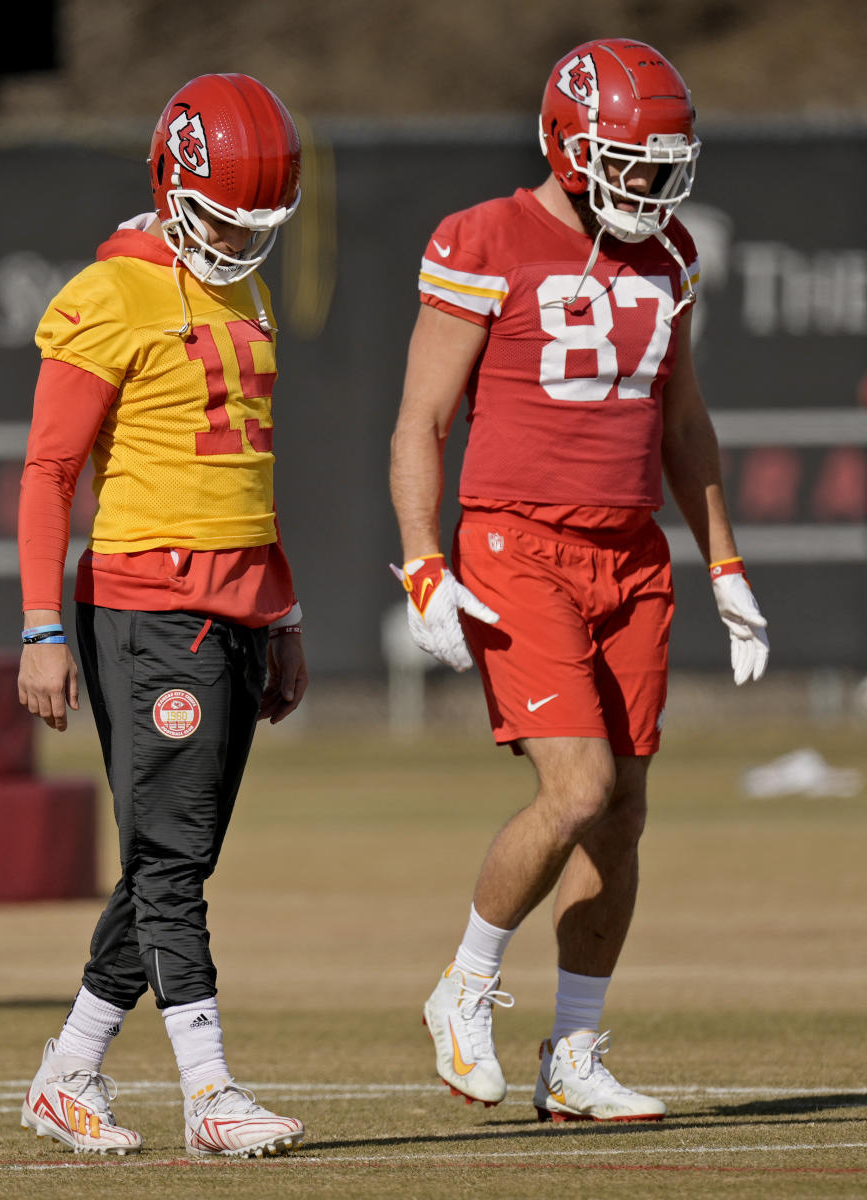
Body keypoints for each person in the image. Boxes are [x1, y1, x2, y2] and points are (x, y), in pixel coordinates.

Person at [389, 38, 769, 1123]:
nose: (650, 181)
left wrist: (726, 562)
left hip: (631, 551)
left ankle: (576, 1054)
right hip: (516, 540)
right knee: (579, 788)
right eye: (630, 160)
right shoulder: (485, 237)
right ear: (568, 144)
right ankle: (463, 986)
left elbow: (683, 421)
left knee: (625, 813)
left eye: (662, 161)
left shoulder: (670, 254)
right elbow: (422, 418)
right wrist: (423, 559)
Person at [16, 73, 309, 1160]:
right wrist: (42, 627)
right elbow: (48, 472)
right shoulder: (109, 294)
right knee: (173, 863)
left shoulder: (240, 292)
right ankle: (209, 1089)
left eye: (256, 224)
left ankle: (70, 1072)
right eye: (225, 219)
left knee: (167, 862)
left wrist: (283, 615)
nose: (240, 243)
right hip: (148, 604)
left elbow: (250, 473)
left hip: (236, 604)